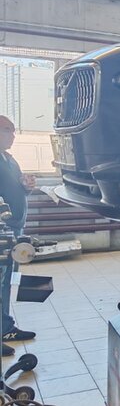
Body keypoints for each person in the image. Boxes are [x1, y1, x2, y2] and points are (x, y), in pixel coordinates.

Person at [0, 116, 36, 356]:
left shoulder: (10, 160)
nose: (13, 135)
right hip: (2, 229)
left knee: (7, 281)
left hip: (15, 228)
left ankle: (5, 327)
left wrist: (26, 187)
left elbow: (14, 190)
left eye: (13, 131)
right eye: (7, 130)